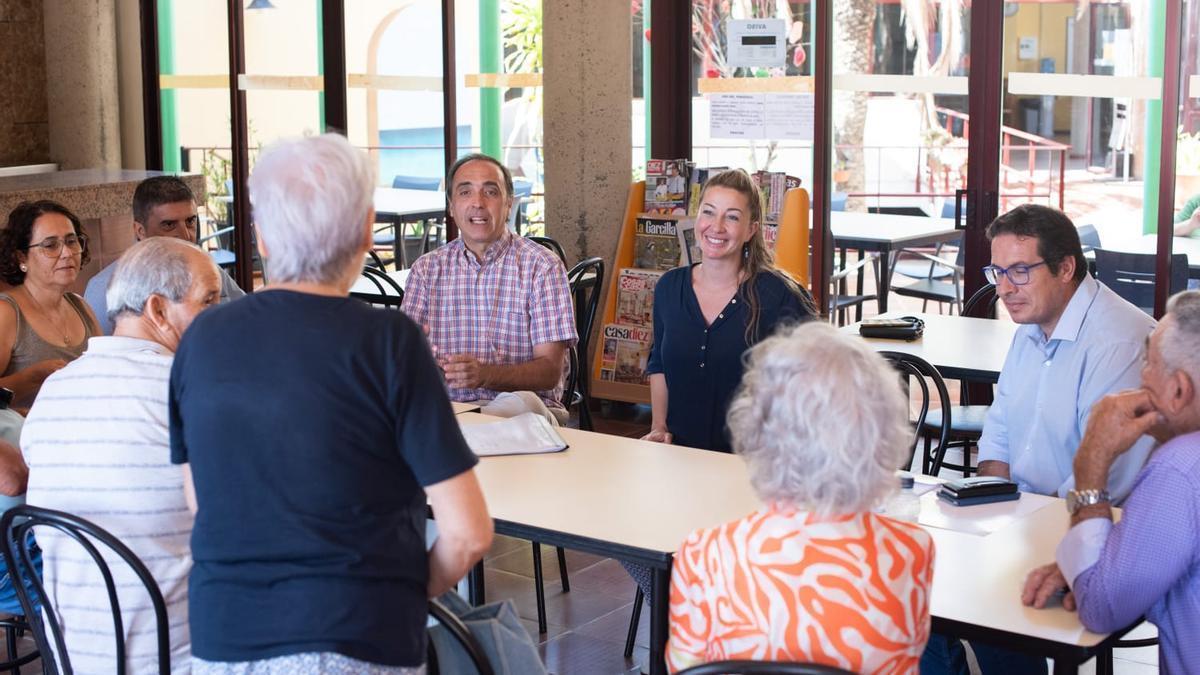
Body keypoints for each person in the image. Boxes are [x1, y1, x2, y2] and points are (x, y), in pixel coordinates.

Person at [170, 133, 493, 674]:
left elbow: (201, 502)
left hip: (224, 634)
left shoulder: (201, 339)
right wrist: (401, 594)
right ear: (367, 229)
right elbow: (468, 533)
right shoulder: (390, 341)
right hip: (360, 635)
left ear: (262, 238)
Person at [922, 203, 1157, 674]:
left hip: (1098, 524)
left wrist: (1017, 533)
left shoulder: (1119, 340)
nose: (1004, 288)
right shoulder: (1034, 322)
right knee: (919, 582)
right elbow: (1002, 426)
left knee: (977, 599)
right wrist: (993, 508)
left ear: (1066, 267)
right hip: (1026, 514)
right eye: (998, 271)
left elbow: (1106, 471)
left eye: (1020, 271)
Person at [666, 321, 934, 673]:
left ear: (758, 428)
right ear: (881, 435)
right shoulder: (911, 550)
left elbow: (682, 669)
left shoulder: (704, 554)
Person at [22, 236, 222, 674]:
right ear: (158, 311)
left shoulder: (56, 388)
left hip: (74, 651)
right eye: (209, 301)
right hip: (178, 654)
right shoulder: (189, 391)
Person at [1022, 290, 1200, 672]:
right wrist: (1098, 563)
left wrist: (1091, 461)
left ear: (1180, 389)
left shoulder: (1180, 468)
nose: (1141, 375)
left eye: (1149, 363)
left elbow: (1101, 607)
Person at [641, 168, 816, 453]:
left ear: (751, 230)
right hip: (679, 458)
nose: (717, 226)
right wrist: (658, 428)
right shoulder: (668, 288)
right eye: (708, 212)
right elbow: (659, 363)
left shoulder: (780, 295)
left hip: (756, 465)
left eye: (732, 217)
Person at [402, 153, 577, 423]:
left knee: (521, 403)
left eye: (490, 192)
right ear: (451, 206)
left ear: (509, 204)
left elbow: (549, 372)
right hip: (449, 413)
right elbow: (404, 361)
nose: (477, 203)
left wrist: (485, 374)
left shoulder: (542, 267)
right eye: (465, 192)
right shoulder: (426, 270)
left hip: (527, 415)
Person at [84, 175, 245, 335]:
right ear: (140, 231)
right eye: (169, 225)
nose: (185, 235)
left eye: (190, 221)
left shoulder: (206, 270)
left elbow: (245, 316)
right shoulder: (103, 288)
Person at [0, 200, 101, 409]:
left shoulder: (80, 306)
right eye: (50, 245)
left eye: (71, 241)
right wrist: (30, 378)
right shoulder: (7, 313)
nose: (67, 253)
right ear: (21, 257)